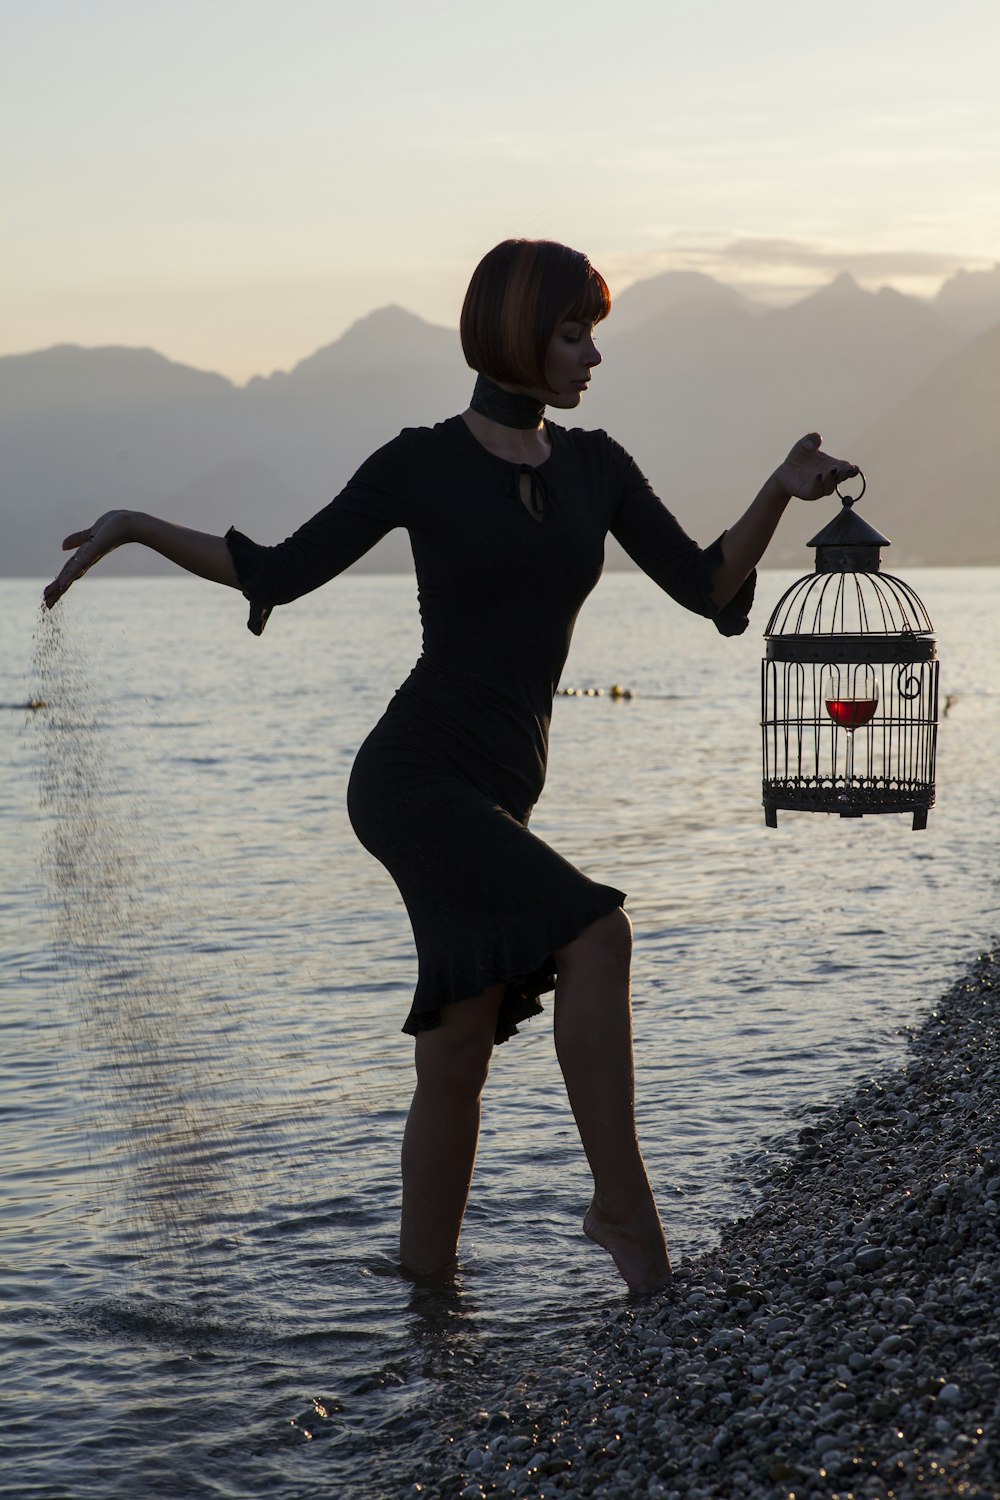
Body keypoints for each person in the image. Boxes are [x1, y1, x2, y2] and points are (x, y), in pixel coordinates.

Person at [44, 238, 858, 1294]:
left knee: (459, 1044)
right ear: (516, 331)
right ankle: (624, 1214)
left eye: (591, 331)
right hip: (412, 779)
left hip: (498, 791)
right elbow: (278, 572)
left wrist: (778, 491)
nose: (591, 354)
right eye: (573, 332)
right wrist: (136, 527)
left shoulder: (595, 469)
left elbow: (707, 587)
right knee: (595, 934)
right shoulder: (418, 464)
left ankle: (424, 1288)